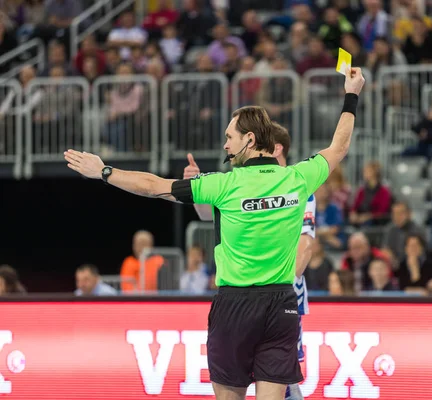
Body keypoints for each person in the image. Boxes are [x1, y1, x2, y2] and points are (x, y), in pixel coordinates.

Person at [64, 67, 366, 400]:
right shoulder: (297, 179)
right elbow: (338, 147)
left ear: (249, 140)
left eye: (229, 138)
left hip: (235, 305)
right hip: (282, 305)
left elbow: (152, 186)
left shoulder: (222, 184)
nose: (225, 144)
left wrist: (104, 171)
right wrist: (352, 92)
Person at [183, 122, 315, 400]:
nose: (227, 146)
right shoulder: (237, 182)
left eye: (232, 138)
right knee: (268, 380)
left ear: (272, 147)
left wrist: (276, 283)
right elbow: (209, 216)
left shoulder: (297, 183)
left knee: (282, 381)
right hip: (249, 298)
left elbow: (306, 245)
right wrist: (195, 190)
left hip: (279, 295)